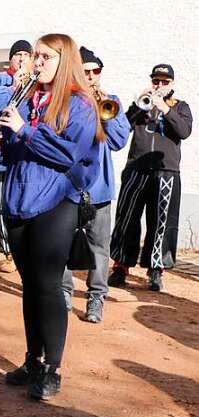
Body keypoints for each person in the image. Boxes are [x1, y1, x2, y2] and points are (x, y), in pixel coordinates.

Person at [0, 34, 103, 401]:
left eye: (44, 56)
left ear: (63, 59)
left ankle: (52, 368)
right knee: (30, 285)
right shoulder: (30, 98)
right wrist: (2, 140)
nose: (36, 62)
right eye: (35, 56)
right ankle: (33, 359)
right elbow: (17, 152)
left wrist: (24, 129)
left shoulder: (80, 104)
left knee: (47, 285)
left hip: (57, 201)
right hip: (21, 198)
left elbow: (67, 153)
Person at [60, 47, 130, 322]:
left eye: (95, 71)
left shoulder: (110, 102)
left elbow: (118, 141)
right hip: (67, 188)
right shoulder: (67, 101)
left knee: (99, 249)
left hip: (99, 190)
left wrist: (104, 111)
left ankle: (96, 300)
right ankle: (64, 293)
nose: (91, 76)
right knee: (63, 245)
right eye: (86, 71)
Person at [109, 64, 192, 292]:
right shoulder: (142, 103)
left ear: (171, 84)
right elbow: (123, 126)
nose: (160, 85)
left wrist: (164, 108)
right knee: (126, 218)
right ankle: (120, 266)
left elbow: (184, 131)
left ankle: (156, 270)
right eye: (157, 81)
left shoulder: (181, 107)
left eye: (165, 82)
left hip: (166, 171)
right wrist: (139, 105)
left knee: (162, 223)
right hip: (136, 168)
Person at [0, 39, 33, 273]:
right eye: (17, 54)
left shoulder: (36, 82)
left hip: (24, 152)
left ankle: (25, 249)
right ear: (10, 59)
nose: (21, 58)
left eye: (26, 54)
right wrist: (13, 87)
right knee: (0, 205)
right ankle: (8, 252)